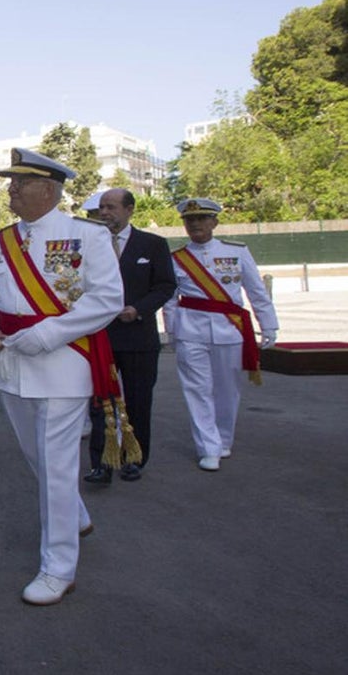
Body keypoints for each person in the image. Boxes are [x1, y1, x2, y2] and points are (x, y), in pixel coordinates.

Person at [0, 148, 122, 606]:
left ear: (49, 189)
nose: (11, 189)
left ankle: (58, 566)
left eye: (20, 182)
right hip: (12, 362)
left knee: (57, 467)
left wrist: (49, 334)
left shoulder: (86, 235)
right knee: (35, 456)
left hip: (62, 362)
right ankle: (74, 513)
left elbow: (106, 300)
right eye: (10, 182)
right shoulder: (0, 241)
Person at [162, 198, 278, 472]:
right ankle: (208, 446)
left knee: (227, 390)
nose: (196, 224)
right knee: (197, 390)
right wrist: (172, 331)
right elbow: (169, 299)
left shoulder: (237, 251)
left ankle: (224, 438)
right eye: (190, 220)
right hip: (191, 331)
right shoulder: (176, 259)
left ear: (214, 222)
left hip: (229, 330)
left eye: (202, 219)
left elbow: (256, 291)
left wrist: (269, 324)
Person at [83, 188, 176, 484]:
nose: (105, 213)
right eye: (101, 208)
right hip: (100, 338)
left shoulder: (153, 244)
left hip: (138, 338)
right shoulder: (89, 245)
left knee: (138, 401)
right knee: (100, 402)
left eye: (111, 207)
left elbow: (164, 286)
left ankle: (134, 457)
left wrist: (138, 309)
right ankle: (101, 462)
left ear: (129, 209)